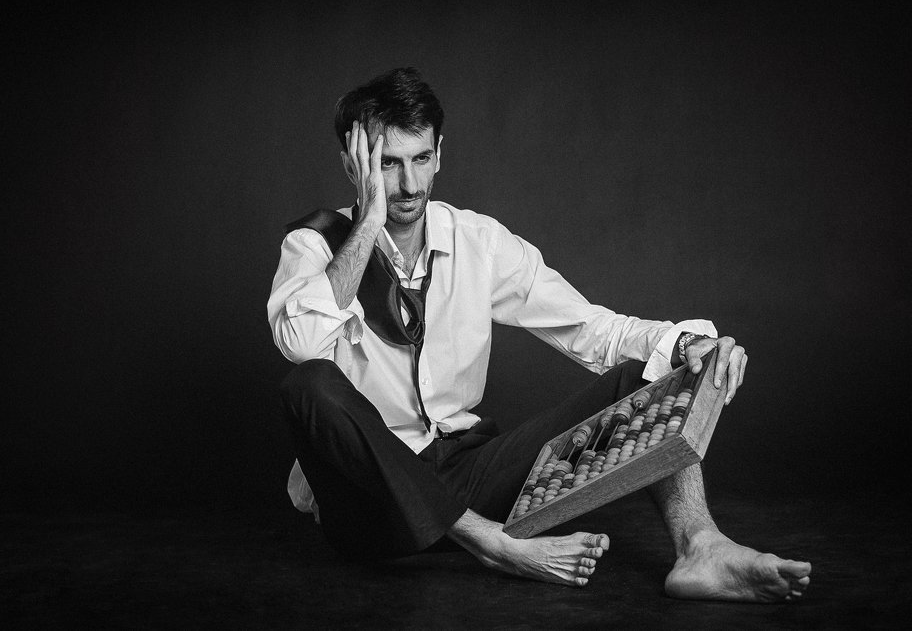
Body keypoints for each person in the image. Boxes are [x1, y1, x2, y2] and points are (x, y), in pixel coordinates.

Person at [267, 67, 811, 601]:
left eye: (421, 159)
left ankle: (700, 547)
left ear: (440, 154)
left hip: (469, 476)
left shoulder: (477, 241)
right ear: (353, 164)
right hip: (373, 508)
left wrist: (686, 344)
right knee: (309, 384)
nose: (409, 185)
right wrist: (367, 222)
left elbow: (590, 328)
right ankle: (493, 544)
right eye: (387, 164)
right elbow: (303, 346)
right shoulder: (314, 247)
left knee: (653, 371)